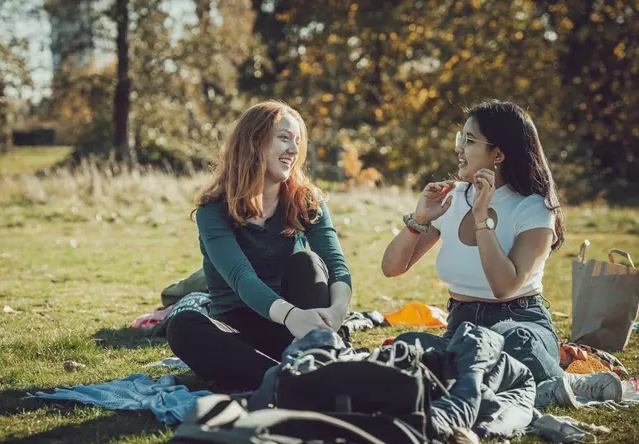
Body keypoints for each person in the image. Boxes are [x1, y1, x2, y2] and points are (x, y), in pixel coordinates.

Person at [380, 100, 622, 409]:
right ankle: (551, 386)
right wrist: (421, 220)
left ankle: (528, 383)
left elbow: (504, 286)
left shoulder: (534, 208)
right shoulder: (452, 198)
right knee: (406, 347)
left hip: (521, 321)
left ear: (498, 154)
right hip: (462, 326)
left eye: (469, 141)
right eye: (460, 138)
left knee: (512, 341)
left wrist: (481, 218)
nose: (459, 149)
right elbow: (392, 267)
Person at [167, 100, 352, 391]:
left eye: (297, 142)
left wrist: (337, 312)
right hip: (242, 332)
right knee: (182, 326)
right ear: (254, 143)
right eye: (283, 138)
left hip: (299, 328)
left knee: (307, 262)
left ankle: (308, 362)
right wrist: (292, 317)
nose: (293, 150)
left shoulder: (306, 200)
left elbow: (336, 265)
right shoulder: (214, 211)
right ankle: (294, 381)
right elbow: (243, 279)